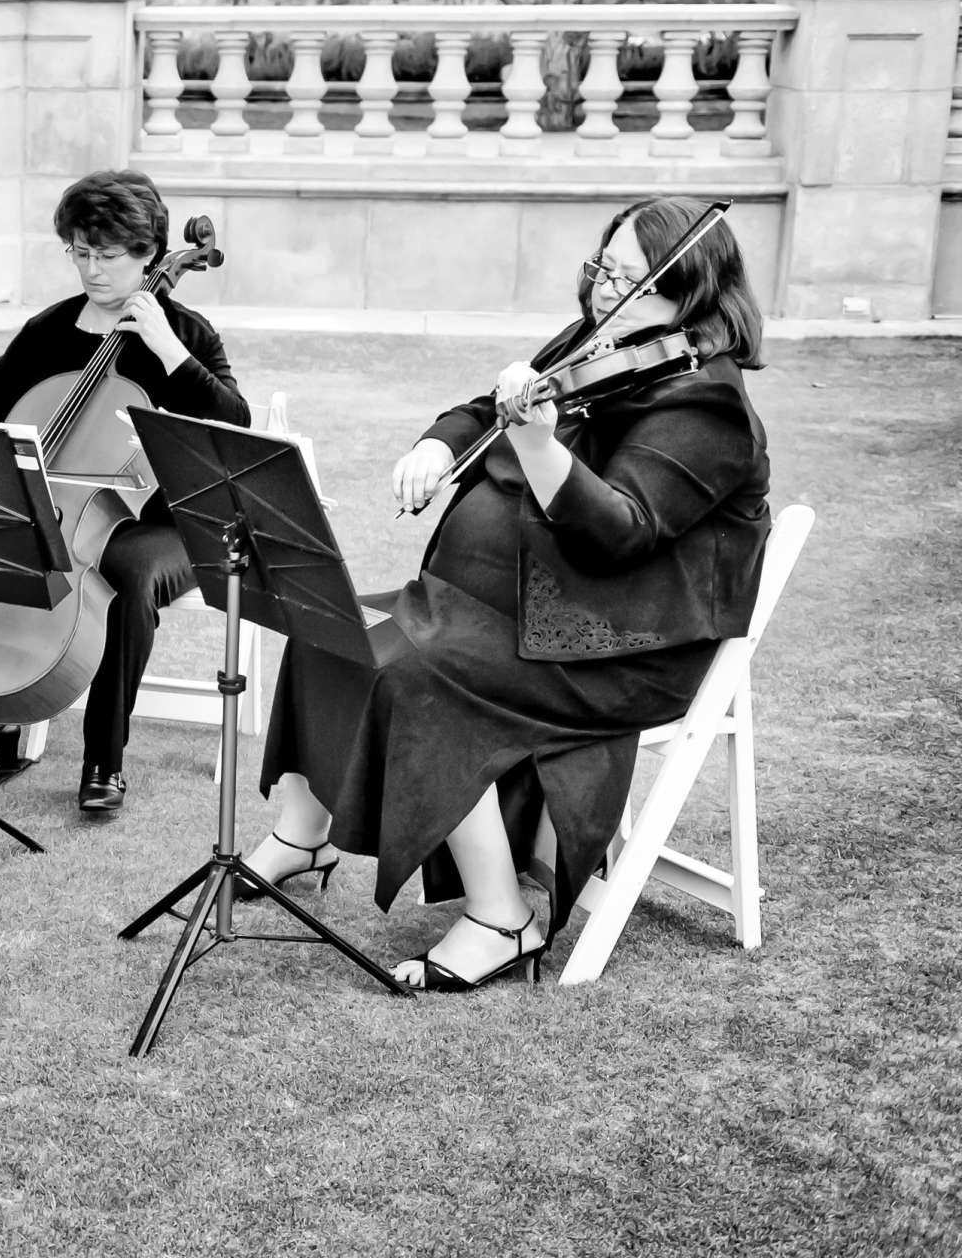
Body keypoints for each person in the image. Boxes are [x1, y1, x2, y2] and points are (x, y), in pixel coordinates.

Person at [245, 195, 771, 991]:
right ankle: (302, 830)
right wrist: (437, 442)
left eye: (633, 281)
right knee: (330, 624)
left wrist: (535, 442)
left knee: (417, 678)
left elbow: (620, 532)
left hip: (617, 643)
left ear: (692, 293)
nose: (606, 293)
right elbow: (478, 410)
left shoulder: (707, 400)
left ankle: (504, 917)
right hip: (516, 609)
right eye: (603, 270)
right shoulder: (601, 341)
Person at [0, 169, 247, 814]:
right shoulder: (51, 328)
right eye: (80, 252)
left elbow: (235, 426)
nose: (91, 270)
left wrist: (169, 350)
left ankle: (105, 756)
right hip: (65, 504)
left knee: (127, 577)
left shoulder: (188, 333)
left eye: (107, 255)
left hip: (163, 520)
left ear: (150, 253)